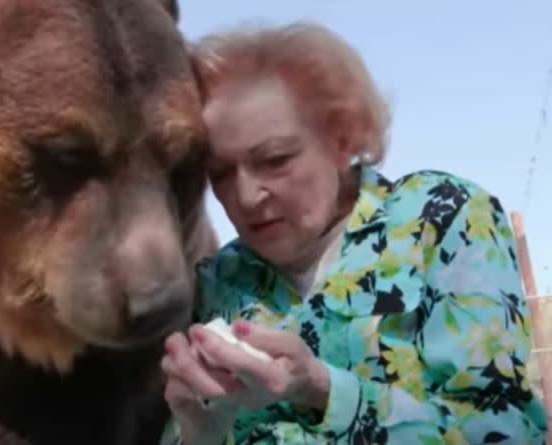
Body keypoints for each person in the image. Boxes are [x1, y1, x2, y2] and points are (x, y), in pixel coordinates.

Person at [159, 21, 549, 445]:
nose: (247, 196)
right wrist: (201, 433)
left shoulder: (441, 220)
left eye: (274, 159)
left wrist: (324, 390)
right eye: (220, 173)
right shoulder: (217, 281)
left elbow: (504, 431)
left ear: (341, 140)